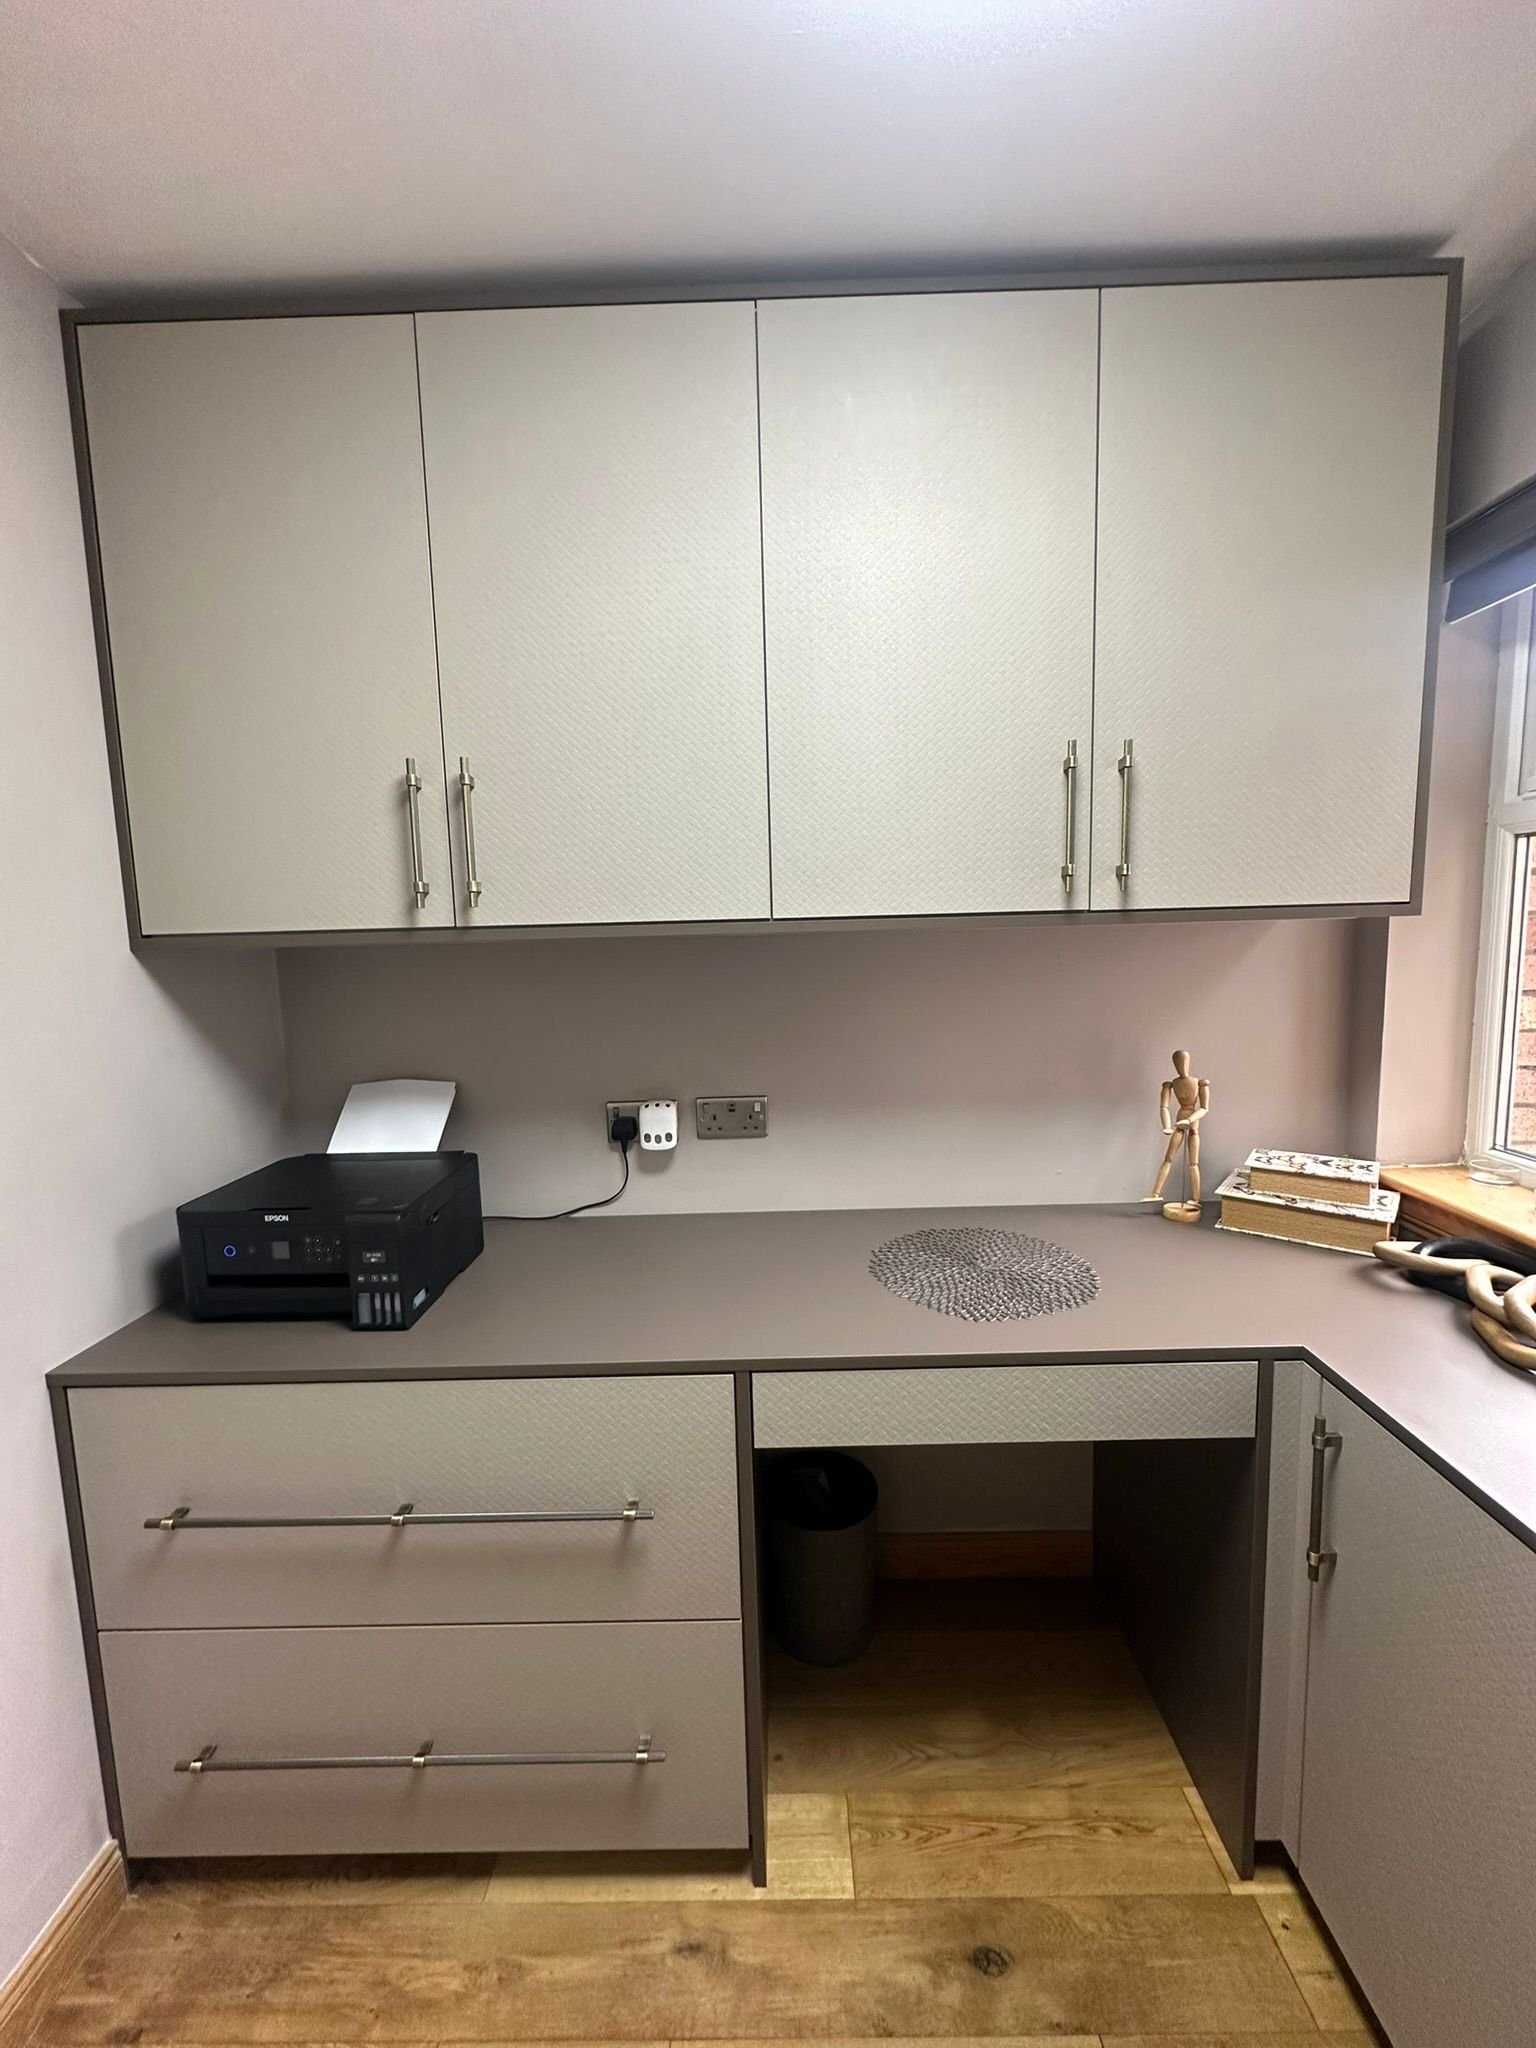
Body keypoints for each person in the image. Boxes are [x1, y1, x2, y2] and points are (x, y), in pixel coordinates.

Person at [1148, 1049, 1210, 1219]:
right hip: (1178, 1123)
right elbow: (1164, 1107)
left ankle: (1196, 1198)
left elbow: (1204, 1108)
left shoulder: (1199, 1083)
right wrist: (1166, 1125)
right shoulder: (1171, 1084)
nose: (1181, 1066)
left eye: (1183, 1062)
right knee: (1168, 1158)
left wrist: (1190, 1120)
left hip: (1191, 1124)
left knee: (1193, 1163)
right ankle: (1155, 1193)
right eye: (1177, 1063)